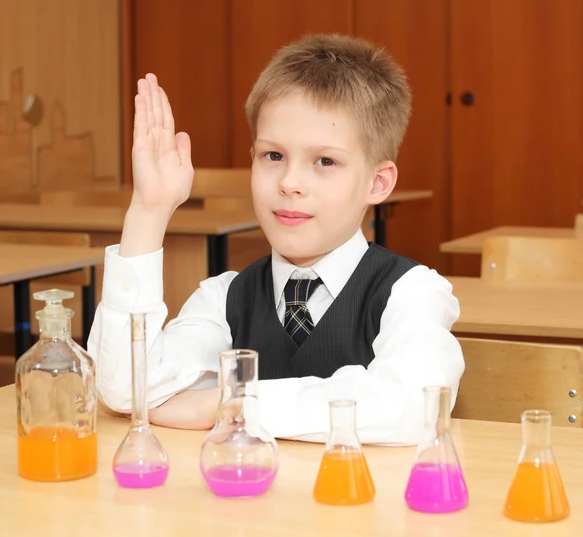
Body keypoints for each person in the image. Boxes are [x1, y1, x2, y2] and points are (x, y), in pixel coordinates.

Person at [88, 34, 464, 445]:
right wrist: (149, 209)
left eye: (325, 161)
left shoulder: (411, 292)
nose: (289, 183)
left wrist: (227, 404)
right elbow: (127, 389)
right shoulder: (225, 297)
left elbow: (413, 408)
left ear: (377, 182)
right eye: (273, 156)